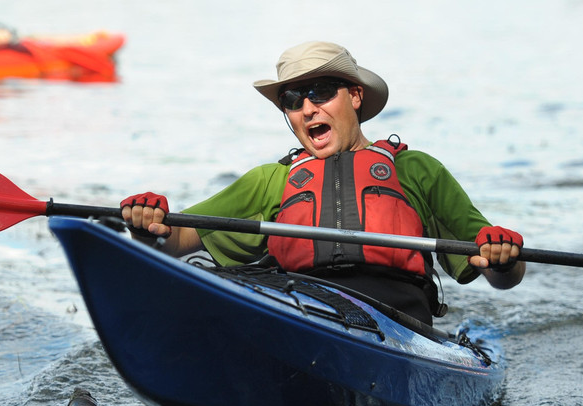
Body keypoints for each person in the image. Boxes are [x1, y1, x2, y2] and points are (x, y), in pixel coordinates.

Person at [120, 41, 524, 326]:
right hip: (302, 313)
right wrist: (147, 224)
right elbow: (173, 240)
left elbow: (503, 274)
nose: (308, 107)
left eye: (321, 92)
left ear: (354, 96)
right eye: (293, 99)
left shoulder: (416, 170)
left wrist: (504, 257)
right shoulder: (271, 180)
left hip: (398, 324)